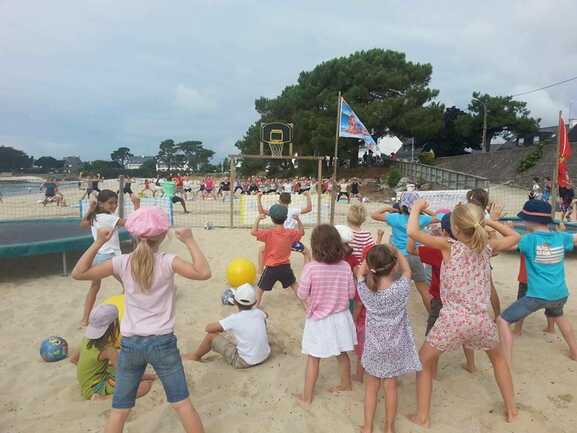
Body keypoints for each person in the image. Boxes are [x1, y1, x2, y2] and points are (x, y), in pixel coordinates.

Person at [71, 207, 211, 433]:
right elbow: (203, 273)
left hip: (130, 344)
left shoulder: (122, 262)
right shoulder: (168, 261)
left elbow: (78, 273)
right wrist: (190, 240)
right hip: (162, 342)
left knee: (119, 411)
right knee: (182, 404)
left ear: (134, 236)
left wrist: (97, 243)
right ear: (163, 236)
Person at [407, 200, 519, 427]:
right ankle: (512, 411)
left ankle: (422, 417)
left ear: (455, 228)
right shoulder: (487, 247)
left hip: (452, 320)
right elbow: (515, 237)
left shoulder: (449, 246)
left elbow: (412, 232)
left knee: (424, 362)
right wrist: (486, 221)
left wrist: (417, 208)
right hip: (481, 319)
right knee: (497, 360)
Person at [497, 200, 577, 367]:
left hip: (537, 296)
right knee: (560, 317)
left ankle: (506, 362)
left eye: (524, 219)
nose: (523, 222)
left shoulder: (529, 240)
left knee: (503, 320)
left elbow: (505, 246)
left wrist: (504, 227)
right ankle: (575, 352)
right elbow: (574, 238)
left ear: (532, 220)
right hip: (560, 293)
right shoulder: (561, 237)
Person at [357, 244, 421, 433]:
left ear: (371, 268)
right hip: (396, 346)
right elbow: (408, 269)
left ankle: (368, 427)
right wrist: (398, 252)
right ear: (393, 267)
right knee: (391, 386)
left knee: (371, 387)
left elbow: (361, 273)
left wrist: (367, 261)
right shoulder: (401, 288)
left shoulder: (364, 289)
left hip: (374, 347)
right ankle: (389, 428)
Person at [294, 224, 357, 408]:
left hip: (319, 319)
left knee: (313, 358)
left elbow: (302, 294)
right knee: (342, 353)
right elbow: (351, 294)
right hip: (341, 317)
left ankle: (307, 397)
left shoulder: (311, 268)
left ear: (315, 246)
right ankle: (346, 384)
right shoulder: (345, 266)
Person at [408, 213, 477, 375]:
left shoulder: (439, 251)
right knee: (466, 333)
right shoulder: (473, 247)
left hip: (441, 299)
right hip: (466, 299)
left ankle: (432, 372)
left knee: (434, 335)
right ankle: (471, 365)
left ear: (445, 232)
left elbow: (410, 249)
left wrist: (417, 228)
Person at [70, 304, 155, 401]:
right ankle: (105, 398)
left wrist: (93, 369)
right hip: (98, 388)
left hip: (85, 385)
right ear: (114, 325)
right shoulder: (107, 349)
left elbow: (73, 359)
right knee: (145, 386)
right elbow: (125, 373)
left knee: (112, 368)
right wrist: (148, 376)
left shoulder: (86, 339)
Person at [79, 190, 138, 326]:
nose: (114, 206)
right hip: (111, 257)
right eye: (110, 203)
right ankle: (128, 314)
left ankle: (85, 319)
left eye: (116, 202)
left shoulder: (95, 217)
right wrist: (136, 205)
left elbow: (82, 225)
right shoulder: (109, 218)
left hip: (97, 256)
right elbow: (130, 223)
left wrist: (90, 209)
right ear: (101, 203)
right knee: (129, 285)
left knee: (94, 286)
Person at [371, 192, 436, 312]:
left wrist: (388, 208)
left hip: (398, 258)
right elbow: (437, 217)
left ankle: (391, 313)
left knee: (393, 287)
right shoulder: (421, 219)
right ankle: (433, 316)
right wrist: (423, 209)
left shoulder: (394, 217)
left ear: (402, 205)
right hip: (415, 255)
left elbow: (374, 215)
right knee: (423, 289)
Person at [184, 283, 271, 368]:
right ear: (255, 302)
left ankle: (196, 356)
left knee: (210, 336)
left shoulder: (234, 319)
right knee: (261, 322)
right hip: (265, 355)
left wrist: (221, 328)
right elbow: (266, 315)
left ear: (235, 302)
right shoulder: (259, 313)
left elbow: (208, 328)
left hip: (244, 361)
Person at [251, 205, 304, 306]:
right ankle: (307, 305)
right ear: (285, 218)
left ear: (272, 219)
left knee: (259, 290)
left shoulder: (269, 233)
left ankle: (255, 309)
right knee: (295, 286)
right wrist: (298, 220)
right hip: (285, 267)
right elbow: (301, 232)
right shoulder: (290, 233)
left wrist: (258, 218)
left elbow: (253, 232)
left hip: (271, 268)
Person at [256, 191, 312, 273]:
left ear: (279, 201)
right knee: (306, 252)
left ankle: (260, 271)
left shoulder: (276, 211)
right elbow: (309, 209)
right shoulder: (293, 211)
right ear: (290, 201)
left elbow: (261, 211)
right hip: (291, 241)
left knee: (261, 250)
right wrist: (308, 195)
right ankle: (308, 272)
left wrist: (258, 198)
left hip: (277, 242)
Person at [511, 252, 555, 336]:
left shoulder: (526, 240)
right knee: (550, 302)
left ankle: (517, 329)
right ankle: (551, 327)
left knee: (521, 303)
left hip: (527, 277)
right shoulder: (550, 241)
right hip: (546, 277)